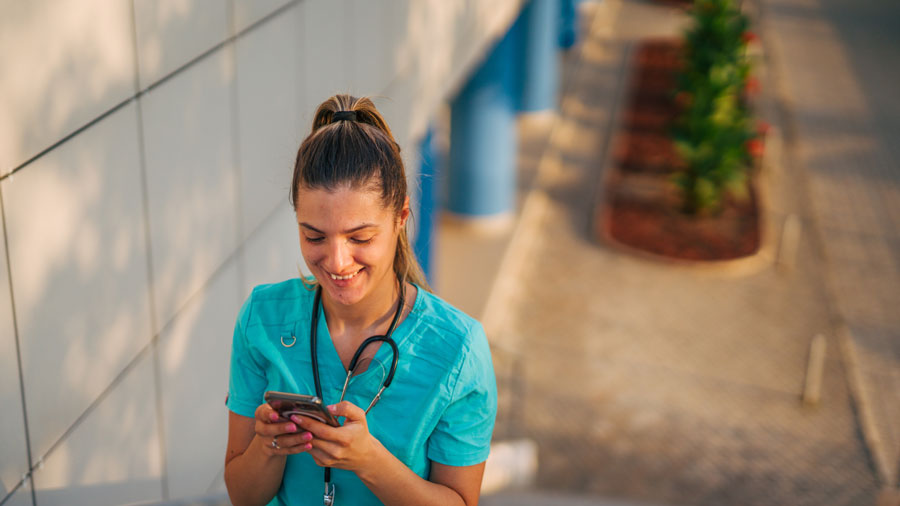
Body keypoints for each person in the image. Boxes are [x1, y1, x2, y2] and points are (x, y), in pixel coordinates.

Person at [223, 94, 497, 506]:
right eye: (313, 235)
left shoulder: (458, 348)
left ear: (402, 219)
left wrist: (368, 460)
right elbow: (243, 497)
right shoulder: (262, 319)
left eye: (360, 238)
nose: (336, 262)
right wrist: (268, 446)